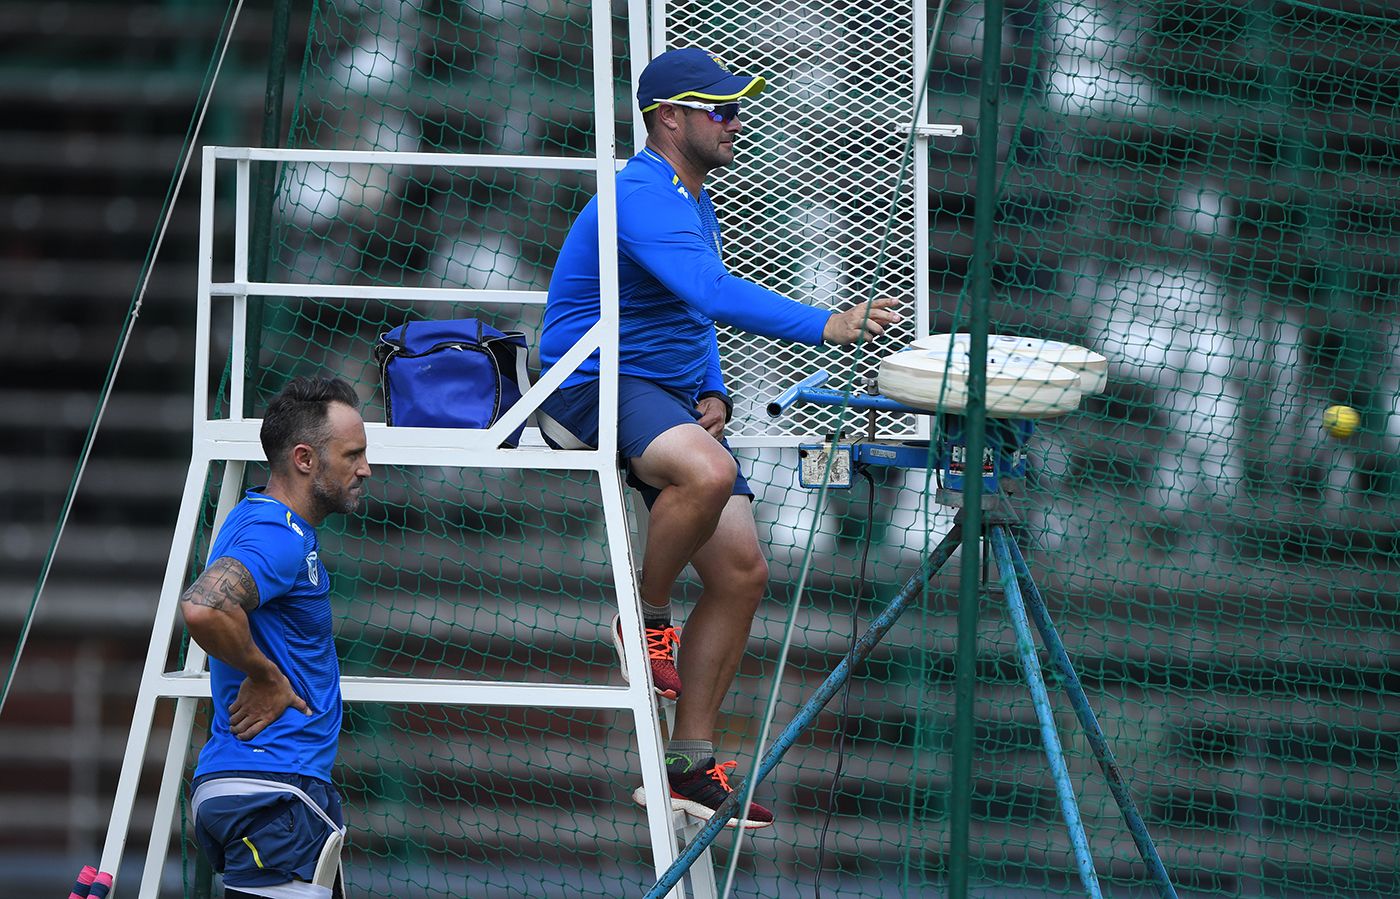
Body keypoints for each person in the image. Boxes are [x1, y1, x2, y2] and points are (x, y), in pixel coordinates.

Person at [536, 46, 901, 829]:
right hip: (590, 381)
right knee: (703, 476)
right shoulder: (642, 192)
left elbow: (690, 309)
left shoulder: (690, 196)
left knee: (742, 571)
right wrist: (828, 324)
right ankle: (645, 613)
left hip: (660, 391)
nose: (737, 121)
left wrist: (713, 386)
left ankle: (686, 766)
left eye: (737, 107)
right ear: (669, 118)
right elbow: (709, 289)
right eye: (721, 109)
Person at [182, 376, 372, 899]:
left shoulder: (264, 521)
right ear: (305, 459)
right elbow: (202, 606)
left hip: (272, 790)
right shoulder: (276, 536)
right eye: (352, 454)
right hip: (273, 791)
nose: (365, 469)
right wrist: (265, 675)